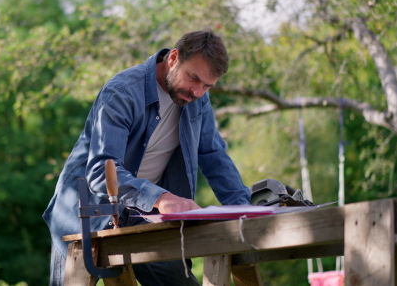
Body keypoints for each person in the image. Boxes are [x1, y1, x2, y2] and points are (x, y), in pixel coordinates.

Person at [43, 29, 251, 285]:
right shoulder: (121, 92)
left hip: (145, 214)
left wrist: (245, 209)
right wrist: (162, 198)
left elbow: (214, 156)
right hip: (88, 213)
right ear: (173, 58)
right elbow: (99, 172)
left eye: (207, 86)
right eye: (193, 78)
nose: (197, 92)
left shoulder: (199, 99)